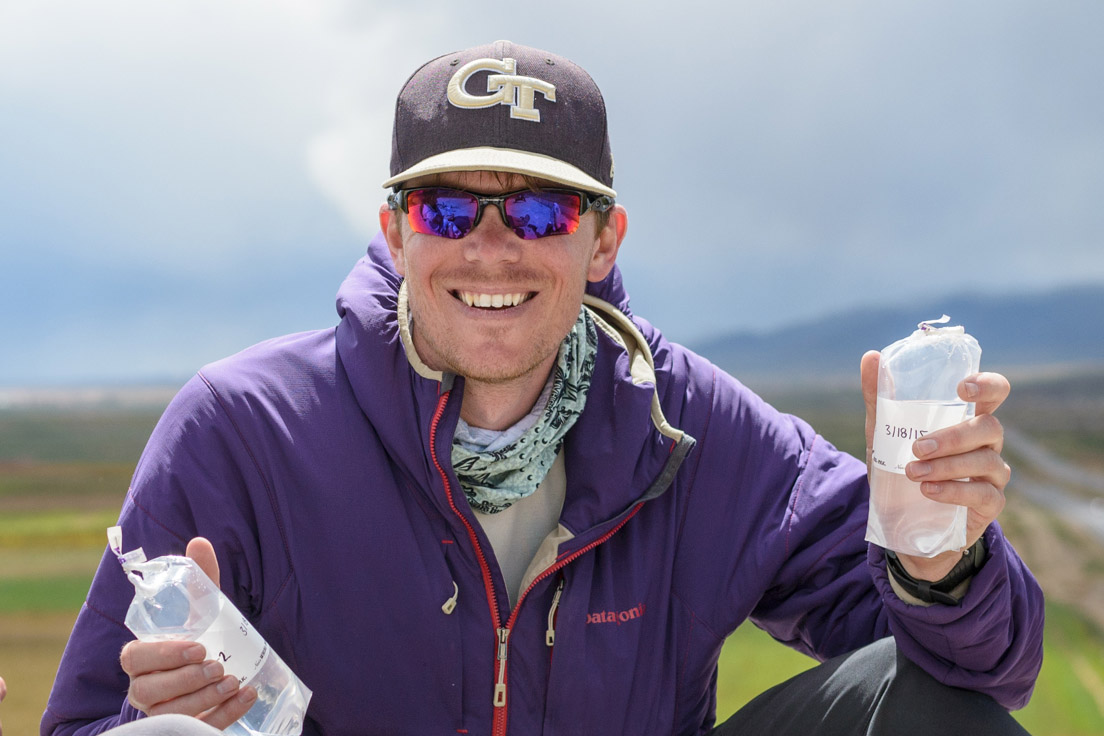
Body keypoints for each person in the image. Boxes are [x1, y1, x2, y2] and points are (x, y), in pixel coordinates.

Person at [43, 41, 1043, 735]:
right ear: (394, 230)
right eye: (447, 209)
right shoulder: (244, 431)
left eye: (533, 212)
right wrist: (168, 718)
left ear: (604, 236)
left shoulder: (693, 428)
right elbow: (87, 721)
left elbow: (976, 676)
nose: (488, 249)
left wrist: (938, 560)